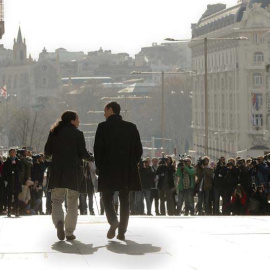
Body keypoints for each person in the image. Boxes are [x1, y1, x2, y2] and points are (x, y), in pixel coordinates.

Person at [94, 101, 143, 241]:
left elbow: (98, 149)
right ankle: (122, 231)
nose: (104, 113)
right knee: (124, 199)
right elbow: (138, 150)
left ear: (111, 110)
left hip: (108, 169)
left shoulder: (102, 127)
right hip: (126, 169)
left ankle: (113, 221)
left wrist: (100, 166)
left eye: (105, 110)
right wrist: (132, 163)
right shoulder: (131, 127)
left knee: (106, 197)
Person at [44, 110, 92, 241]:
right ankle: (69, 232)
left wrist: (52, 159)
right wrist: (91, 158)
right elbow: (83, 154)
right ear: (72, 120)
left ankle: (59, 222)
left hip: (57, 171)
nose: (79, 121)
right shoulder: (78, 134)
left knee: (57, 200)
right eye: (78, 119)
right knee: (72, 203)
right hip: (73, 172)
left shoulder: (54, 132)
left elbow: (47, 151)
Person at [2, 149, 22, 217]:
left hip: (16, 180)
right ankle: (9, 211)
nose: (13, 153)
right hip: (9, 180)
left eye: (14, 152)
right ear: (9, 153)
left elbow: (21, 170)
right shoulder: (6, 162)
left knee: (16, 196)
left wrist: (15, 166)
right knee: (9, 197)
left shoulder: (18, 161)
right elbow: (3, 172)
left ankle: (17, 211)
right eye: (11, 152)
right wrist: (6, 180)